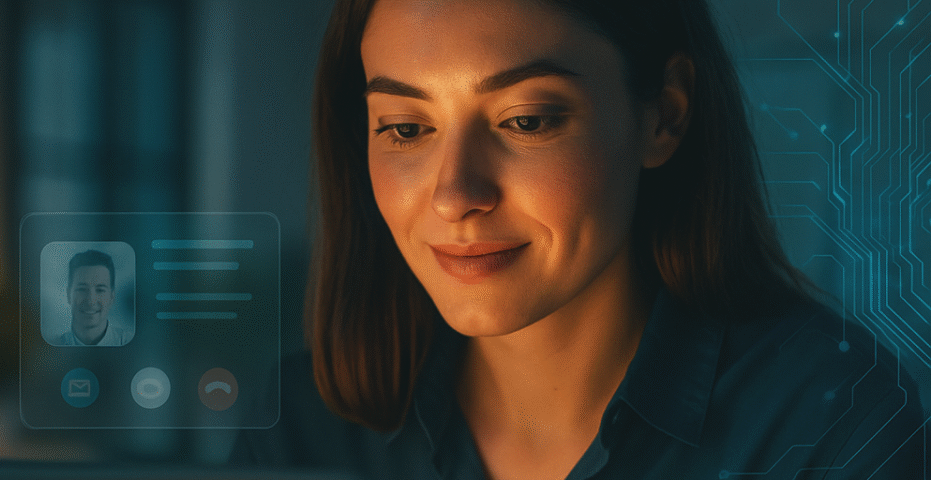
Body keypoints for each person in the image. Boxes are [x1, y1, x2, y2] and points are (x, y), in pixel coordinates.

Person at [231, 0, 925, 478]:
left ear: (665, 116)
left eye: (526, 120)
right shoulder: (301, 427)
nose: (454, 196)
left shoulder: (829, 419)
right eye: (407, 129)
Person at [59, 250, 130, 347]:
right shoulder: (49, 347)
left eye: (100, 290)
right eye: (82, 289)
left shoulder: (133, 345)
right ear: (68, 295)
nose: (91, 301)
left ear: (112, 297)